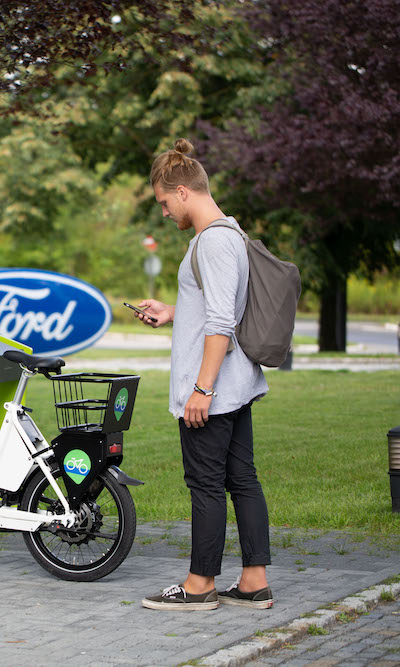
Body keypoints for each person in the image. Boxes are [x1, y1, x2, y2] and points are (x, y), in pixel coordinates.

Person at [135, 139, 273, 611]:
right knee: (242, 480)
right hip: (236, 386)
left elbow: (220, 324)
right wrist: (174, 311)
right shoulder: (228, 234)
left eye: (164, 202)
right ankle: (254, 581)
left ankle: (199, 586)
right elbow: (218, 306)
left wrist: (201, 389)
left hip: (214, 390)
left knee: (206, 485)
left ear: (182, 191)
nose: (165, 212)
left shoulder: (212, 241)